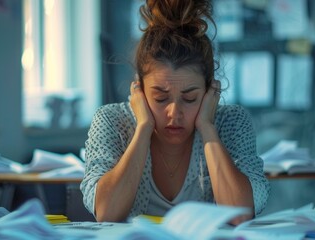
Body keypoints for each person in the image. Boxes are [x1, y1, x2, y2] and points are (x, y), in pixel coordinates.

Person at [80, 0, 270, 224]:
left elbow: (240, 215)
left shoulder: (231, 122)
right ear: (139, 91)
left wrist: (208, 129)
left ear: (210, 91)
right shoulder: (112, 121)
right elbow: (106, 213)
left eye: (190, 98)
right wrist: (143, 129)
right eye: (160, 98)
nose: (174, 113)